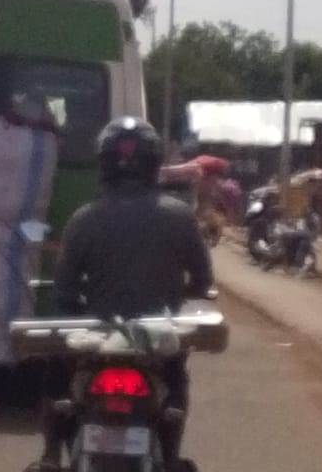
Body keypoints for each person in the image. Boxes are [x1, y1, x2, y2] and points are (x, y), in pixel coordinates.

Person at [31, 117, 213, 472]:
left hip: (97, 339)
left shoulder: (84, 218)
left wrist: (78, 302)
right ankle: (171, 456)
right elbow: (204, 280)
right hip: (158, 340)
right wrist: (181, 289)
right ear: (154, 163)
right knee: (175, 382)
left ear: (104, 164)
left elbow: (65, 288)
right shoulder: (180, 216)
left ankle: (51, 456)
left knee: (57, 376)